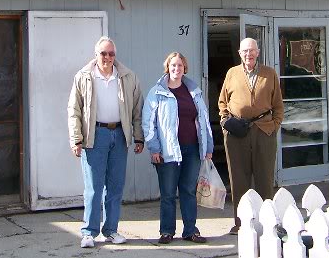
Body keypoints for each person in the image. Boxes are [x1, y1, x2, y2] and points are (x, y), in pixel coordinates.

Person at [68, 36, 145, 249]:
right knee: (93, 187)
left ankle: (110, 230)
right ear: (96, 54)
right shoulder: (83, 77)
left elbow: (137, 110)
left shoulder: (128, 77)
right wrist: (76, 138)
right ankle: (89, 232)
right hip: (95, 135)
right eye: (103, 53)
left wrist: (138, 137)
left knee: (115, 186)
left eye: (111, 54)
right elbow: (74, 110)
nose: (107, 57)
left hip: (119, 135)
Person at [142, 52, 214, 245]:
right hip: (168, 152)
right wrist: (154, 148)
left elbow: (204, 120)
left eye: (180, 65)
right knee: (167, 193)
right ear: (168, 67)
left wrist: (208, 146)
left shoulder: (194, 91)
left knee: (188, 191)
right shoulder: (157, 92)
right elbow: (148, 123)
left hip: (192, 149)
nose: (176, 68)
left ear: (184, 68)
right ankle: (167, 231)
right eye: (173, 65)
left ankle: (190, 230)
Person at [218, 37, 284, 235]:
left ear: (258, 52)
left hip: (264, 130)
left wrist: (274, 126)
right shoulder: (232, 73)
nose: (249, 54)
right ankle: (241, 223)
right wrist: (225, 123)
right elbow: (222, 102)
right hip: (237, 131)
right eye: (245, 51)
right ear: (240, 53)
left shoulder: (269, 74)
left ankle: (267, 221)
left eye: (252, 50)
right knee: (238, 178)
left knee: (265, 177)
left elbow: (278, 105)